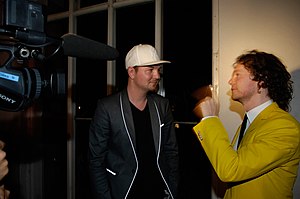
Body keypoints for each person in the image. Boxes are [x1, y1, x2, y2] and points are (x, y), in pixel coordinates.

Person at [192, 50, 300, 199]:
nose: (230, 81)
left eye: (237, 74)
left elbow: (231, 170)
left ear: (262, 80)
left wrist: (210, 119)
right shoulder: (250, 122)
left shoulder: (284, 127)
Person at [88, 44, 179, 199]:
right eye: (150, 70)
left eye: (158, 70)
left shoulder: (162, 105)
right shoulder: (107, 108)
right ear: (131, 72)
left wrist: (171, 190)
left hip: (158, 191)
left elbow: (171, 152)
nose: (157, 75)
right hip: (124, 192)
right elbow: (96, 161)